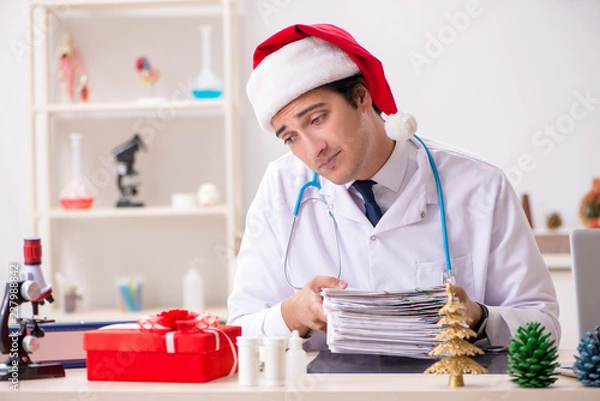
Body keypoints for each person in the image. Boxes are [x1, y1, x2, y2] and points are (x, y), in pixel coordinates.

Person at [227, 23, 560, 351]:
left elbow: (543, 325)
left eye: (317, 119)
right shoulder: (280, 191)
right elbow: (240, 330)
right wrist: (292, 313)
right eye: (290, 137)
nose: (312, 150)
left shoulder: (479, 186)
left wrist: (479, 317)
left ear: (360, 97)